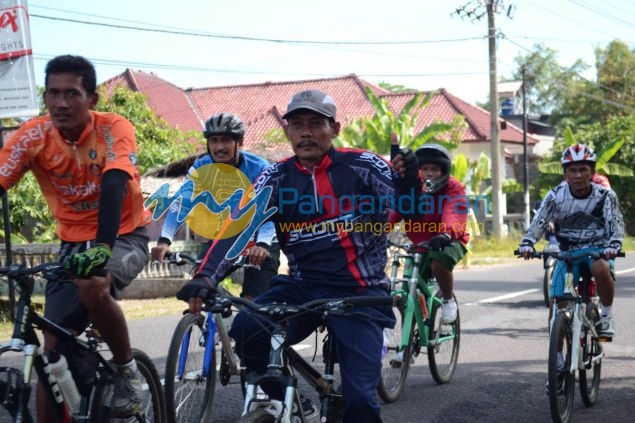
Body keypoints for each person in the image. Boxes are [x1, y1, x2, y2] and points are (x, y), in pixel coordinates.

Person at [174, 89, 417, 422]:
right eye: (298, 124)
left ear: (335, 128)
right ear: (287, 131)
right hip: (303, 286)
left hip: (360, 292)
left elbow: (408, 210)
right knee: (247, 326)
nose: (306, 132)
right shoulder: (276, 177)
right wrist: (206, 276)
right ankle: (288, 401)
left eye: (317, 123)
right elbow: (237, 228)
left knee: (360, 402)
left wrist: (410, 182)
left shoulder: (364, 165)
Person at [0, 55, 151, 420]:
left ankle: (125, 369)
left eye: (72, 93)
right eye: (52, 93)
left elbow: (115, 182)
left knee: (92, 283)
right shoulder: (33, 136)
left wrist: (102, 247)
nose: (61, 103)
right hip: (71, 242)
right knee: (50, 354)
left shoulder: (113, 127)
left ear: (92, 99)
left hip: (124, 235)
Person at [150, 112, 279, 299]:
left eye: (226, 140)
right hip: (223, 239)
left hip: (260, 240)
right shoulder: (200, 168)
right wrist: (164, 241)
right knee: (197, 292)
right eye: (214, 140)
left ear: (239, 142)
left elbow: (267, 211)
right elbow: (180, 205)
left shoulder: (260, 168)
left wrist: (262, 244)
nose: (219, 147)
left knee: (253, 305)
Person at [518, 144, 624, 338]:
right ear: (565, 173)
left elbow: (615, 225)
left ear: (592, 172)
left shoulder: (606, 196)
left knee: (601, 268)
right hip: (567, 254)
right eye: (572, 170)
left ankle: (606, 315)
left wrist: (613, 245)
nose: (578, 175)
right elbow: (539, 221)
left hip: (597, 250)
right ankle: (557, 359)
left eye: (583, 169)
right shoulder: (555, 195)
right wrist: (528, 243)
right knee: (557, 302)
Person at [390, 142, 469, 324]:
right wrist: (376, 230)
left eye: (435, 169)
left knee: (438, 261)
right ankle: (413, 331)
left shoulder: (453, 187)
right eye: (425, 168)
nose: (429, 173)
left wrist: (446, 234)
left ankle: (448, 301)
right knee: (410, 287)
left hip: (449, 239)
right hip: (418, 243)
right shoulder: (413, 186)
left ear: (444, 171)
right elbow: (396, 209)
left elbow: (453, 212)